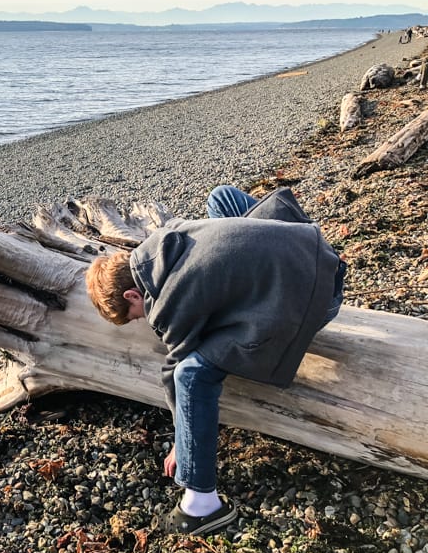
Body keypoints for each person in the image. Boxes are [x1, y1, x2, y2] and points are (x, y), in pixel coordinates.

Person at [85, 186, 345, 535]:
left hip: (319, 295)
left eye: (134, 315)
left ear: (133, 294)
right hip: (312, 246)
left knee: (191, 375)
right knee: (221, 198)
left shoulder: (169, 301)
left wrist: (182, 440)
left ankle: (202, 503)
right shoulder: (167, 239)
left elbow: (174, 368)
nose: (142, 321)